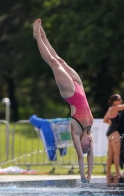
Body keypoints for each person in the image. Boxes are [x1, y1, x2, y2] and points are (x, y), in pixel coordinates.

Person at [33, 19, 94, 183]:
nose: (90, 143)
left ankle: (37, 36)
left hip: (71, 93)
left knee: (53, 63)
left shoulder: (75, 129)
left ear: (81, 144)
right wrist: (90, 175)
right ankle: (44, 36)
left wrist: (83, 177)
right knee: (60, 60)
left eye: (87, 146)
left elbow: (82, 157)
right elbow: (91, 156)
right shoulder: (89, 128)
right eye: (90, 145)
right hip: (79, 86)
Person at [103, 93, 124, 177]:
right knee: (116, 153)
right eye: (118, 100)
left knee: (111, 153)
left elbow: (105, 120)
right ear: (113, 101)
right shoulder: (115, 108)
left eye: (120, 99)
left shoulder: (110, 109)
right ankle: (117, 173)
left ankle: (108, 173)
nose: (120, 101)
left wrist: (111, 123)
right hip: (115, 133)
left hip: (109, 132)